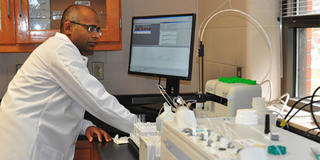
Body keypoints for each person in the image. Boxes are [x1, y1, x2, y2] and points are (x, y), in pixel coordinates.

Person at [0, 4, 137, 160]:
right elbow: (96, 99)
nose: (97, 35)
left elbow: (58, 103)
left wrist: (84, 126)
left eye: (98, 30)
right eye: (91, 29)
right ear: (68, 27)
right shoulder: (59, 50)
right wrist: (142, 128)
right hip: (28, 146)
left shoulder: (62, 51)